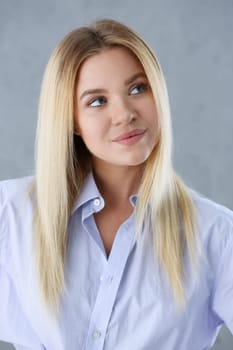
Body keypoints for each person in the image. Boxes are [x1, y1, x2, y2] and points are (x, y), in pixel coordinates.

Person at [0, 18, 232, 350]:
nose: (124, 113)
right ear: (72, 121)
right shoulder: (10, 214)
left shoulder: (217, 235)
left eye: (138, 88)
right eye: (97, 101)